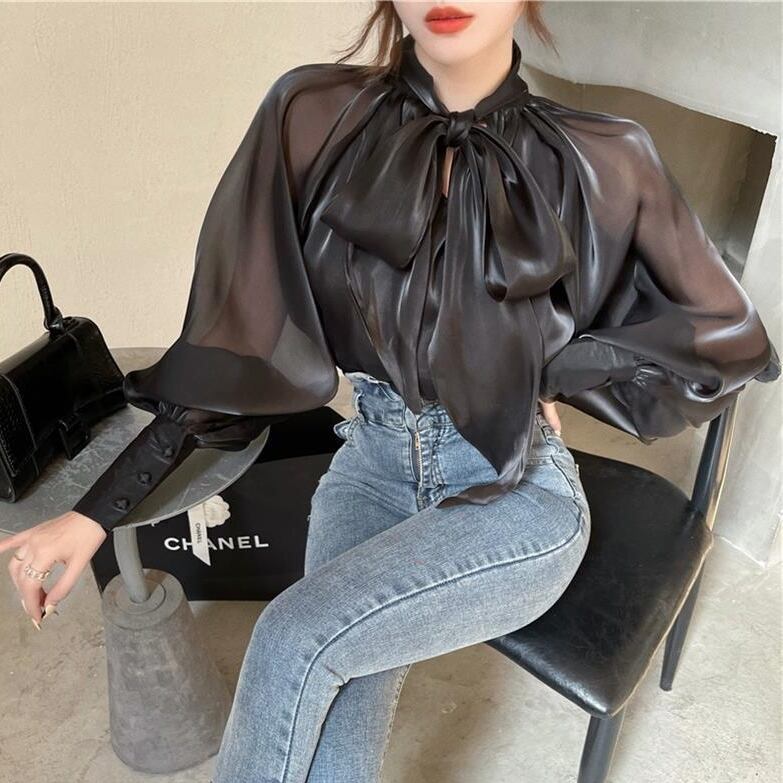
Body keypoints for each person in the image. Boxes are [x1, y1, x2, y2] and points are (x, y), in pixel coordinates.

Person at [1, 2, 779, 781]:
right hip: (369, 466)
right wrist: (94, 514)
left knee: (292, 637)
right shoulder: (311, 115)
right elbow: (230, 345)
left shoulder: (601, 155)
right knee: (338, 715)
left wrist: (545, 371)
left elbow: (726, 341)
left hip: (514, 491)